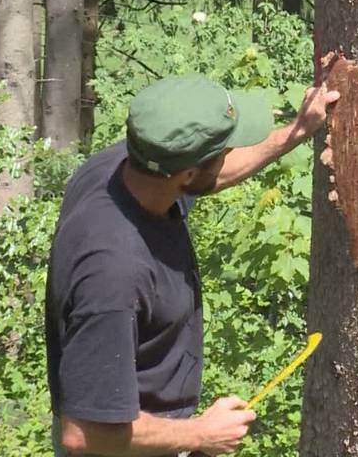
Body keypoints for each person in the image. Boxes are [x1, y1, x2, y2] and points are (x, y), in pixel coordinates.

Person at [45, 74, 339, 456]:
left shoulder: (127, 170)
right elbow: (84, 432)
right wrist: (200, 435)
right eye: (223, 150)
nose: (229, 155)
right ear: (185, 173)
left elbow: (206, 177)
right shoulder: (113, 273)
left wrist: (295, 132)